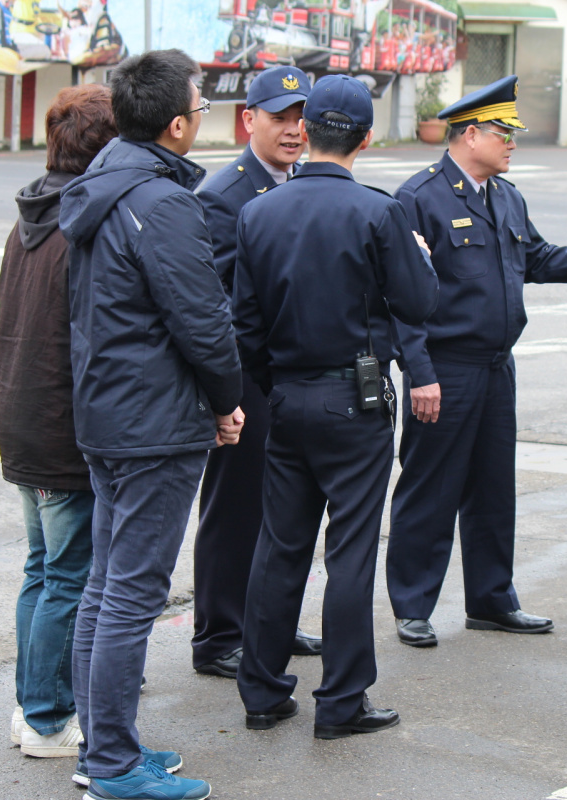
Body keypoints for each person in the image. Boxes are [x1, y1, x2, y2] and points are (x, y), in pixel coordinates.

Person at [385, 75, 567, 648]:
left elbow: (539, 259)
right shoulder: (418, 198)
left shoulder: (505, 196)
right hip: (445, 370)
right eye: (504, 133)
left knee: (493, 490)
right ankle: (413, 604)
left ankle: (491, 600)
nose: (513, 143)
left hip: (497, 366)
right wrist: (419, 373)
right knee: (430, 488)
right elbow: (399, 299)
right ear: (470, 133)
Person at [60, 49, 244, 800]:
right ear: (175, 125)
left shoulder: (103, 182)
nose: (202, 120)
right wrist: (226, 399)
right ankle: (110, 763)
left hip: (109, 411)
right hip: (154, 422)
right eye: (201, 110)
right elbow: (202, 320)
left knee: (107, 587)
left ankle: (105, 745)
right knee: (130, 594)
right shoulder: (162, 202)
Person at [233, 75, 439, 739]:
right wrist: (420, 259)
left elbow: (243, 323)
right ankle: (342, 701)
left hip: (288, 393)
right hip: (355, 399)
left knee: (280, 545)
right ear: (366, 137)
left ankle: (262, 692)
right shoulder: (379, 213)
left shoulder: (258, 211)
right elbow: (418, 302)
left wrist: (274, 382)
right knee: (349, 551)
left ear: (309, 132)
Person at [0, 83, 117, 759]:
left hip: (21, 415)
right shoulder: (81, 223)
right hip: (58, 424)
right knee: (66, 576)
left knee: (43, 569)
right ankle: (46, 718)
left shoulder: (31, 216)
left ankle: (30, 704)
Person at [192, 64, 321, 681]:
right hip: (244, 377)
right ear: (250, 121)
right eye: (280, 118)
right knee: (236, 506)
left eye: (302, 118)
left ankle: (267, 620)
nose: (294, 130)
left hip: (291, 373)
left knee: (284, 509)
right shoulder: (225, 196)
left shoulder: (303, 182)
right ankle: (218, 635)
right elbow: (214, 303)